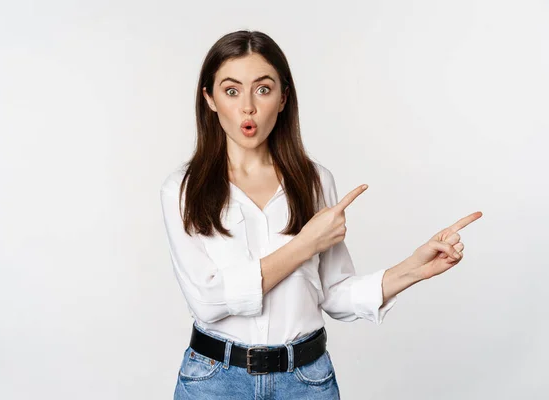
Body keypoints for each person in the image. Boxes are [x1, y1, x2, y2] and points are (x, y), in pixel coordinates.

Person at [159, 30, 482, 399]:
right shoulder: (182, 190)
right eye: (231, 91)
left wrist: (414, 267)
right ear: (210, 99)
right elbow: (208, 300)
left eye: (263, 89)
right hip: (214, 381)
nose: (248, 107)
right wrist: (305, 244)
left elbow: (332, 293)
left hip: (305, 381)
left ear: (283, 98)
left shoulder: (314, 182)